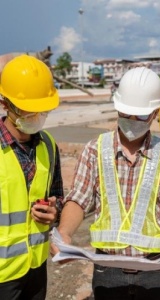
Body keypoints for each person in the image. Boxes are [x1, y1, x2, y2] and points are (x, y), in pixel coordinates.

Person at [51, 67, 160, 300]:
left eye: (139, 116)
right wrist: (65, 233)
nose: (131, 121)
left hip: (156, 270)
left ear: (154, 113)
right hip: (107, 269)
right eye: (126, 113)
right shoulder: (94, 151)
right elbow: (79, 198)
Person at [0, 54, 64, 299]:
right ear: (6, 103)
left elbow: (57, 194)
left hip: (35, 268)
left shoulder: (48, 144)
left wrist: (54, 210)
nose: (37, 115)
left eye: (42, 109)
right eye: (30, 109)